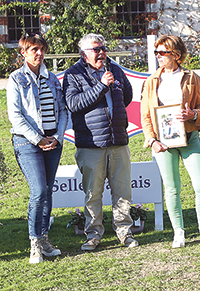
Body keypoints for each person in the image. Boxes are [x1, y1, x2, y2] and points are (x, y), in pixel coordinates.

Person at [141, 35, 200, 248]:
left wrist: (193, 115)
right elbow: (145, 115)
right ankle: (178, 232)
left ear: (176, 55)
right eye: (156, 53)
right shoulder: (151, 81)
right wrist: (152, 141)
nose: (158, 56)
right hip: (163, 142)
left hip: (189, 137)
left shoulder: (191, 77)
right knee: (172, 188)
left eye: (162, 53)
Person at [62, 33, 137, 251]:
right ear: (84, 54)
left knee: (122, 191)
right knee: (93, 193)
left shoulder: (114, 69)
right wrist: (101, 86)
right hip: (91, 144)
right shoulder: (73, 74)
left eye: (103, 48)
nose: (102, 52)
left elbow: (127, 95)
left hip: (118, 141)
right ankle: (93, 234)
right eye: (97, 49)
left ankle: (125, 232)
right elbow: (74, 104)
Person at [7, 33, 68, 263]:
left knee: (48, 190)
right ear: (23, 53)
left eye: (42, 49)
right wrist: (38, 138)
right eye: (34, 49)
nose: (39, 53)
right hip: (27, 142)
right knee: (39, 191)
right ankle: (34, 241)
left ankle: (44, 239)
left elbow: (62, 110)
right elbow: (16, 117)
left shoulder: (52, 78)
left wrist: (57, 137)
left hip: (53, 142)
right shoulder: (15, 79)